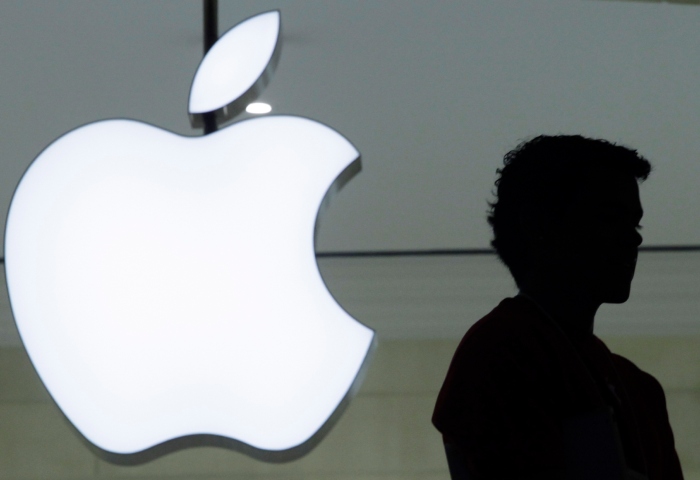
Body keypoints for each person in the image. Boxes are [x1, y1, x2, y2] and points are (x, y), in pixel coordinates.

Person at [432, 135, 684, 480]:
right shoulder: (502, 351)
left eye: (635, 222)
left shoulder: (639, 389)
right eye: (609, 217)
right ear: (538, 224)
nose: (634, 238)